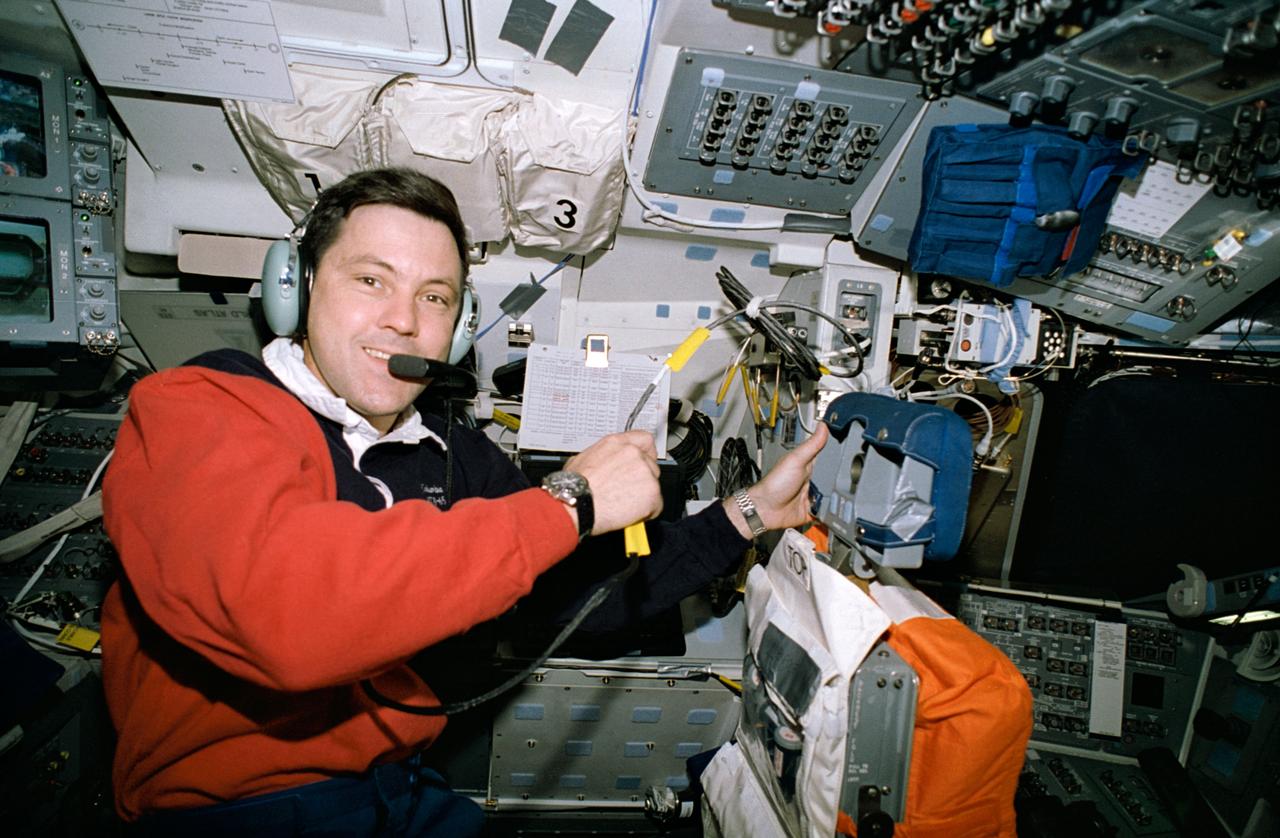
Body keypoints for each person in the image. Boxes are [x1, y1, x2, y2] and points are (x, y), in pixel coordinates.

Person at [101, 167, 830, 836]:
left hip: (402, 788)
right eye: (371, 280)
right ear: (296, 286)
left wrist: (751, 512)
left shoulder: (453, 455)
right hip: (234, 809)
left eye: (434, 297)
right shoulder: (203, 407)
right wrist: (569, 501)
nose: (403, 320)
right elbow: (286, 616)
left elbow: (587, 595)